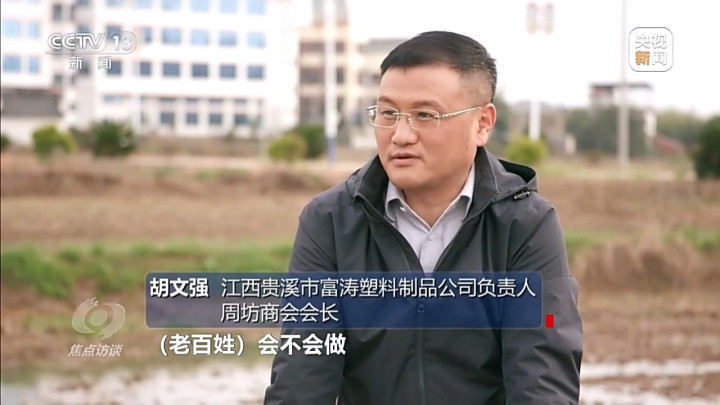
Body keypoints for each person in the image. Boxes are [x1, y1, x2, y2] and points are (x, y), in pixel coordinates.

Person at [264, 31, 583, 405]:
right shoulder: (331, 221)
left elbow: (541, 382)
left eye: (425, 115)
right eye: (388, 113)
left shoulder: (524, 225)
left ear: (482, 123)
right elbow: (302, 377)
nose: (400, 135)